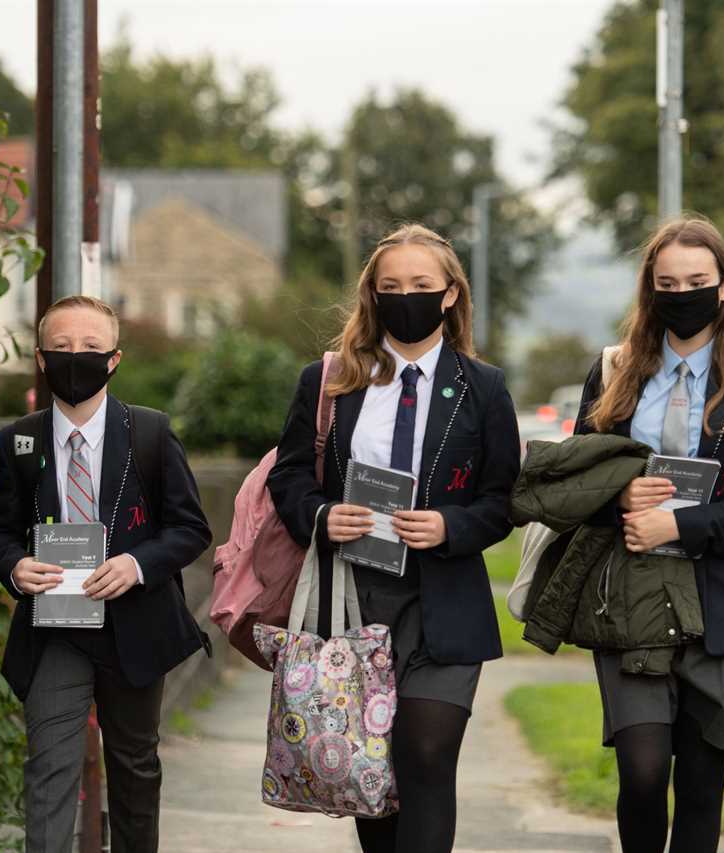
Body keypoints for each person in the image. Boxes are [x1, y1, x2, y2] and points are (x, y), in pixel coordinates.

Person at [267, 223, 521, 853]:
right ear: (371, 296)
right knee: (369, 765)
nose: (404, 295)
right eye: (390, 286)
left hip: (445, 604)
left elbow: (505, 498)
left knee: (428, 755)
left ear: (450, 295)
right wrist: (323, 516)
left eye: (420, 284)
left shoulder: (484, 388)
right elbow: (290, 475)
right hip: (355, 596)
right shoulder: (329, 381)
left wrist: (451, 525)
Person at [575, 216, 724, 853]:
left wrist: (680, 522)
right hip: (630, 599)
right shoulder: (613, 372)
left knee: (700, 789)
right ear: (650, 288)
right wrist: (616, 493)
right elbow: (573, 480)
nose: (682, 293)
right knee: (642, 774)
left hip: (717, 606)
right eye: (667, 282)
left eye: (696, 281)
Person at [0, 295, 212, 853]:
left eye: (90, 347)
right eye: (61, 347)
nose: (75, 357)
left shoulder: (150, 434)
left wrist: (135, 565)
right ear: (39, 357)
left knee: (134, 764)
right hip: (55, 627)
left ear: (114, 358)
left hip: (135, 623)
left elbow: (190, 528)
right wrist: (15, 567)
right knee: (50, 765)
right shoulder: (20, 440)